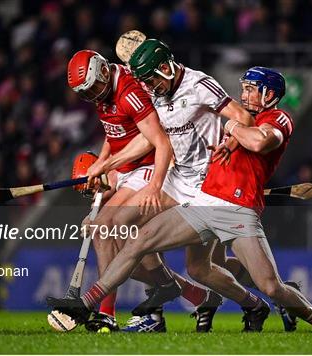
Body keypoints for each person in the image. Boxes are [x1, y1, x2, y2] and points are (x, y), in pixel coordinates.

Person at [48, 66, 312, 334]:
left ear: (269, 94)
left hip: (238, 212)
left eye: (252, 90)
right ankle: (84, 304)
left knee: (271, 286)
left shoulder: (278, 119)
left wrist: (232, 127)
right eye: (244, 89)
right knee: (142, 244)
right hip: (203, 202)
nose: (245, 95)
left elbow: (260, 141)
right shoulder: (236, 124)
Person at [58, 49, 215, 333]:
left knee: (109, 229)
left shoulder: (129, 92)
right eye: (85, 92)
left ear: (104, 71)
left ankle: (107, 312)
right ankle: (193, 294)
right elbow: (113, 133)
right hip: (127, 169)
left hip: (150, 167)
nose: (93, 95)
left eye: (94, 87)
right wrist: (103, 166)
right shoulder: (103, 93)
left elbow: (158, 141)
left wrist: (112, 168)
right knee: (122, 246)